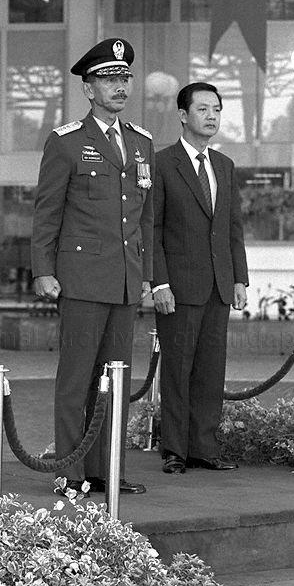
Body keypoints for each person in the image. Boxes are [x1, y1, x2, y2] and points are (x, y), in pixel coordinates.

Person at [31, 38, 154, 495]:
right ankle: (71, 471)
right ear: (88, 88)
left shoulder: (141, 143)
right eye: (109, 79)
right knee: (77, 380)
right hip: (81, 281)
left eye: (124, 78)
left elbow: (147, 219)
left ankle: (107, 469)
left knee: (116, 380)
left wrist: (151, 276)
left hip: (124, 281)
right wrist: (44, 269)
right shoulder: (66, 143)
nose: (119, 86)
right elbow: (47, 212)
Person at [153, 82, 248, 474]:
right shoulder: (161, 163)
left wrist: (239, 279)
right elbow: (152, 229)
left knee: (211, 371)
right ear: (183, 115)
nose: (212, 116)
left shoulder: (223, 166)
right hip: (178, 288)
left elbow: (232, 228)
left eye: (217, 110)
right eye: (204, 109)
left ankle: (203, 449)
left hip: (218, 286)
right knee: (176, 371)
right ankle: (175, 450)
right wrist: (159, 284)